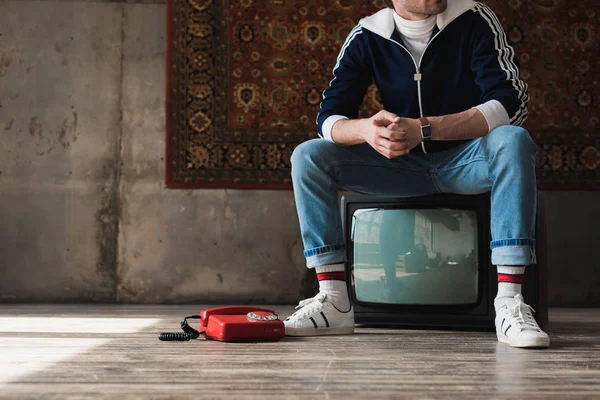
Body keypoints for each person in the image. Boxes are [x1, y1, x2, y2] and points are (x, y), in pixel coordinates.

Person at [285, 0, 550, 348]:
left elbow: (510, 103)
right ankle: (333, 298)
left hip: (466, 163)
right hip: (400, 166)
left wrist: (424, 129)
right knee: (308, 155)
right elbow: (328, 119)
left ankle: (509, 302)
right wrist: (367, 130)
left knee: (512, 140)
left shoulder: (474, 19)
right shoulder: (368, 34)